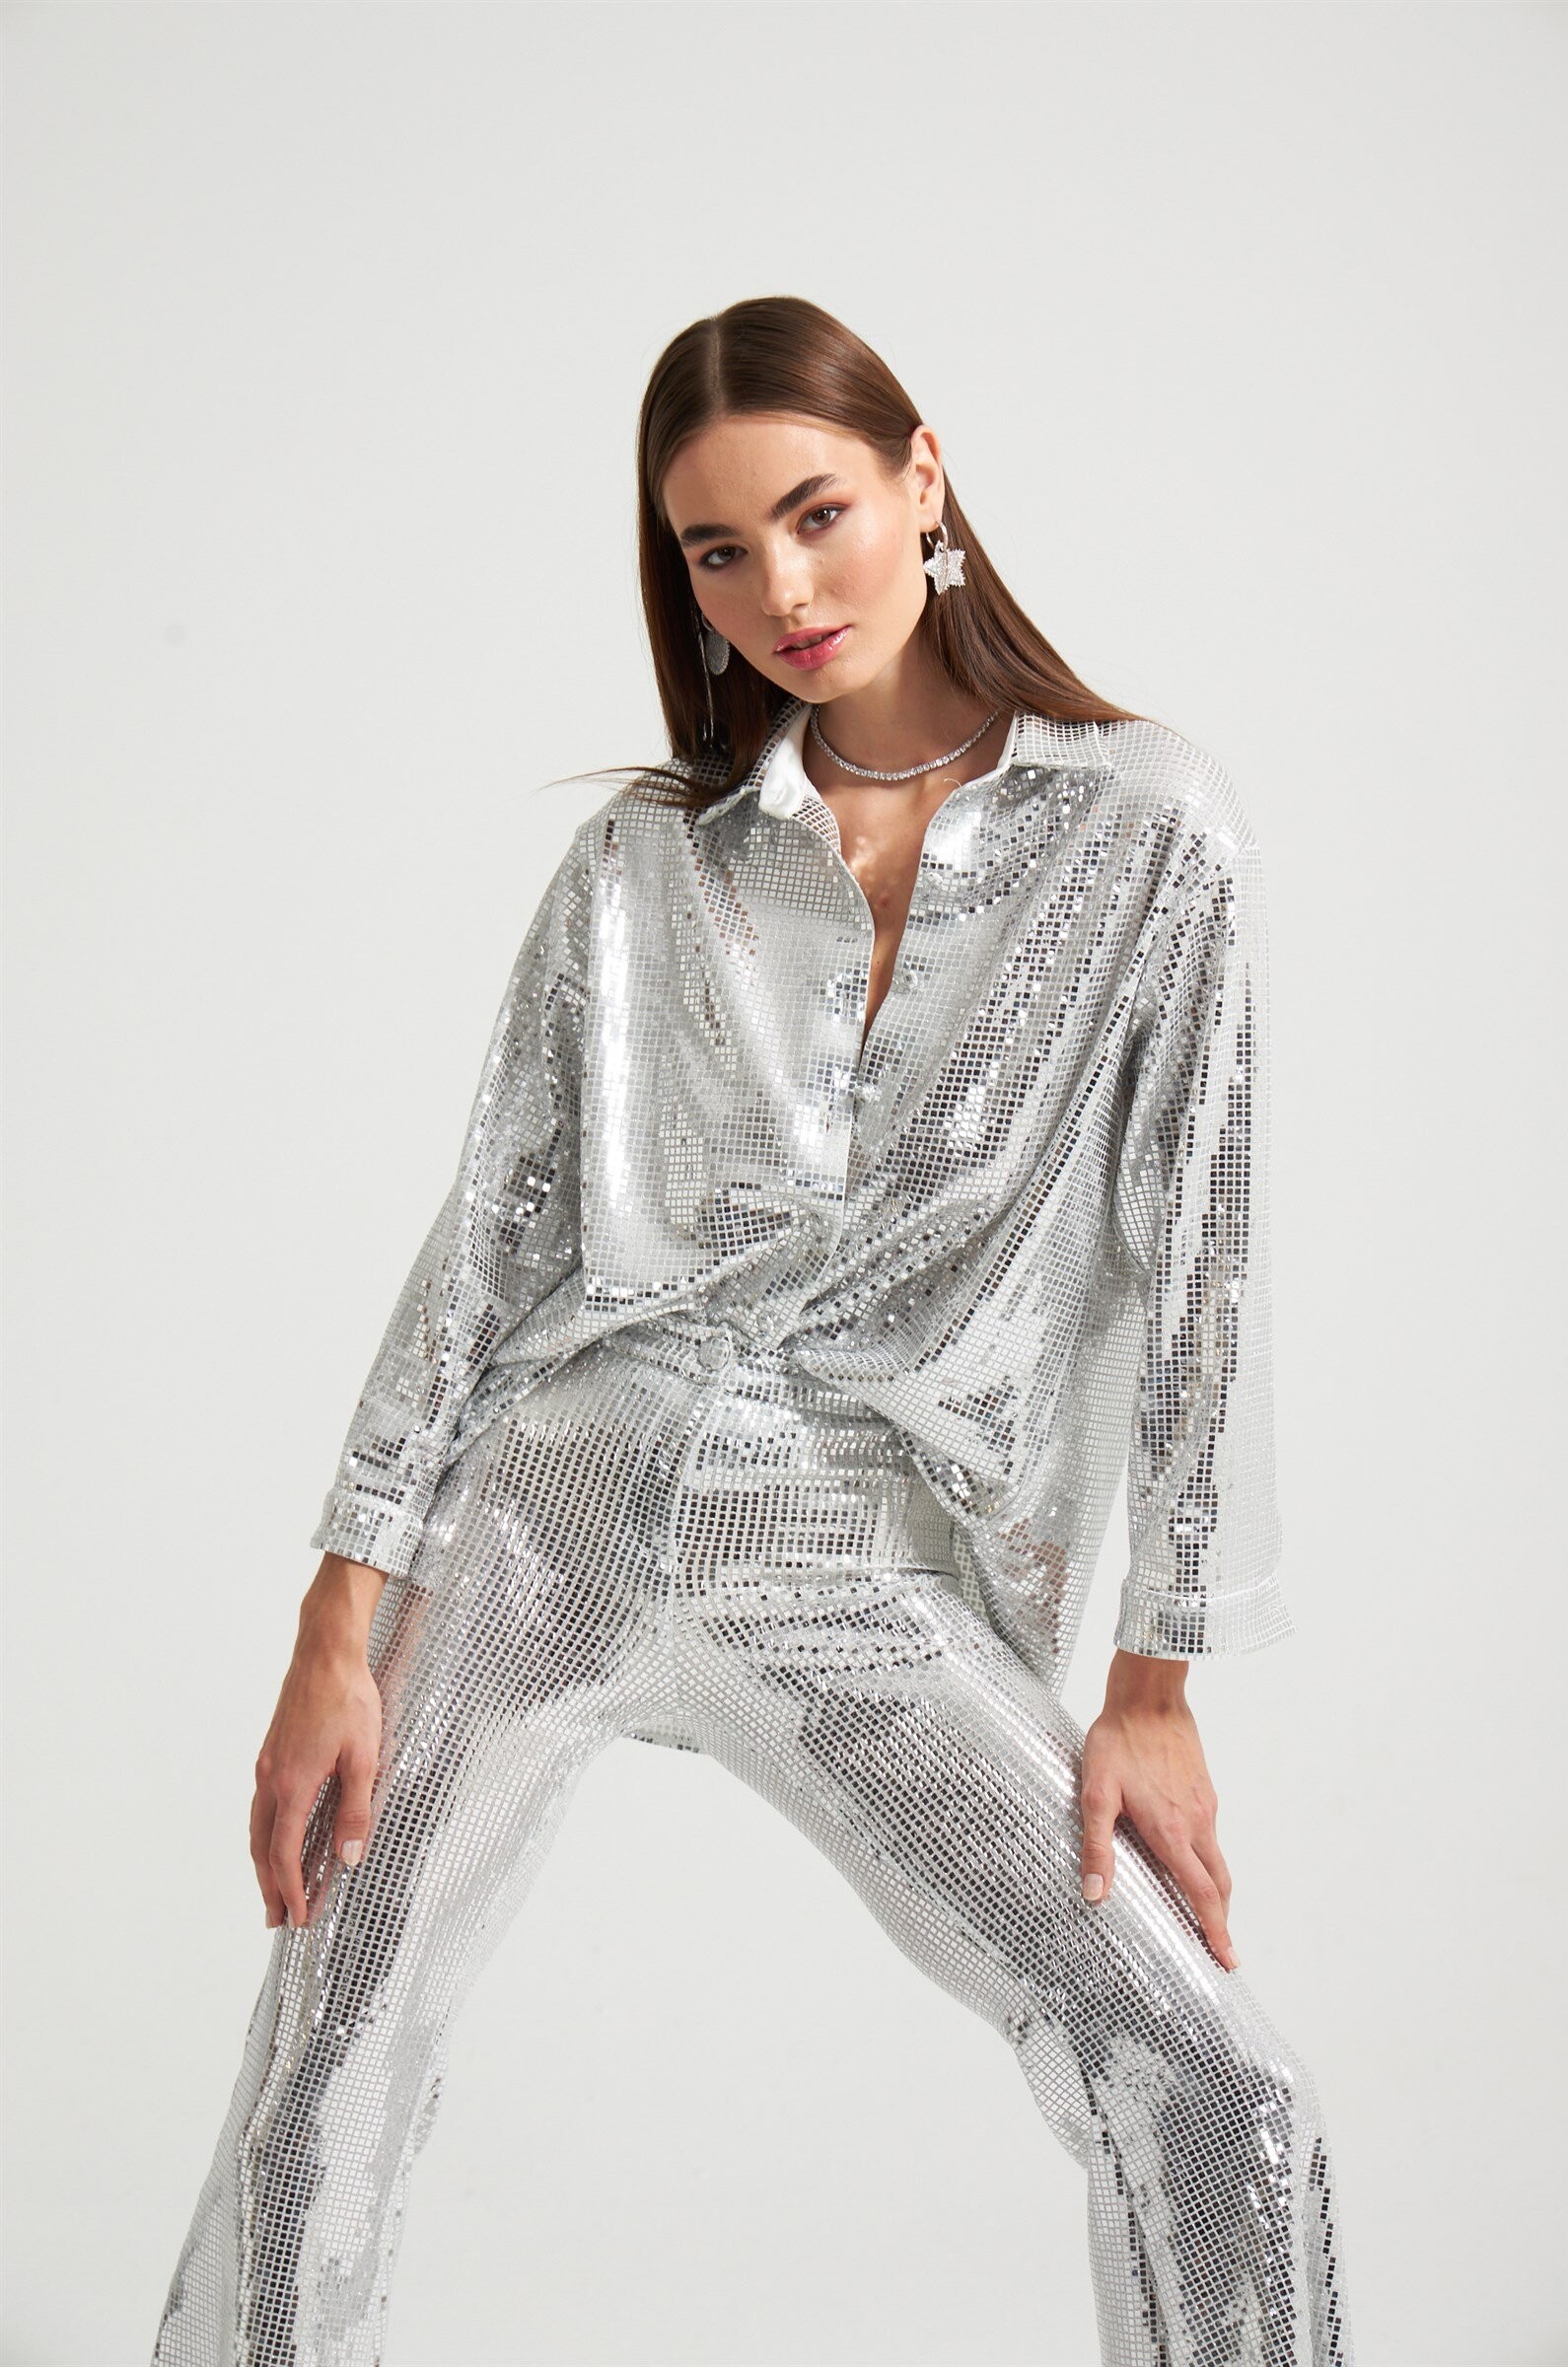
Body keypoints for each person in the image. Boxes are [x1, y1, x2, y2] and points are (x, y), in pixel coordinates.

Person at [150, 295, 1356, 2365]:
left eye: (815, 514)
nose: (782, 592)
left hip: (849, 1547)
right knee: (321, 2071)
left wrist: (1153, 1680)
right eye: (718, 551)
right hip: (552, 1500)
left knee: (1216, 2094)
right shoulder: (642, 864)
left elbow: (1202, 1261)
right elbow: (487, 1249)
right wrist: (335, 1621)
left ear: (922, 478)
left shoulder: (1149, 825)